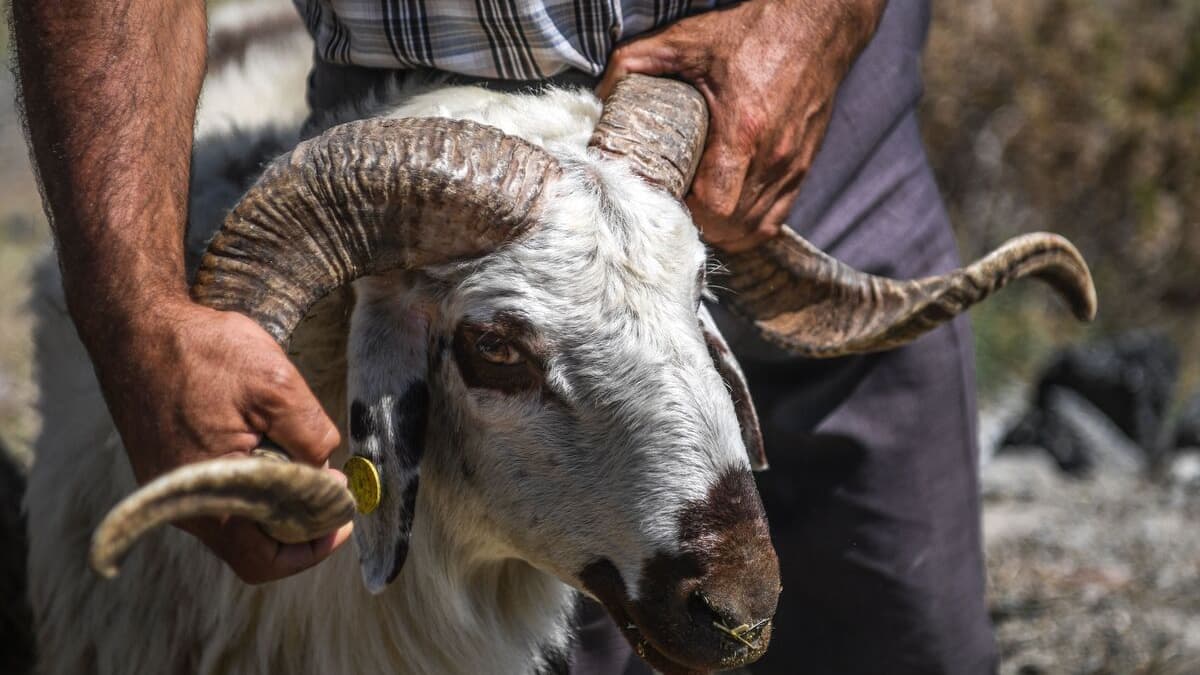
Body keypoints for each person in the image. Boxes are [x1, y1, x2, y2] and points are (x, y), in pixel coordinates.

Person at [13, 0, 996, 672]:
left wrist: (818, 14)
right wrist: (139, 316)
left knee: (906, 638)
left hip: (813, 142)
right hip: (406, 203)